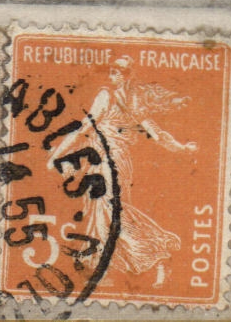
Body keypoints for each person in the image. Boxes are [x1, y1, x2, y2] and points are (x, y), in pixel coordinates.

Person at [48, 57, 196, 288]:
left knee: (109, 211)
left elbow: (86, 126)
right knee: (104, 212)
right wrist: (181, 147)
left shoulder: (107, 96)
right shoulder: (132, 100)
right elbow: (156, 133)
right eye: (111, 71)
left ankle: (155, 254)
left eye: (117, 72)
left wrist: (58, 153)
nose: (112, 76)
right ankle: (105, 268)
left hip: (109, 160)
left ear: (127, 75)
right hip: (114, 160)